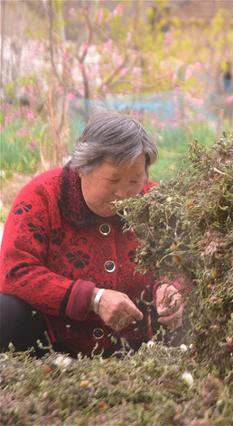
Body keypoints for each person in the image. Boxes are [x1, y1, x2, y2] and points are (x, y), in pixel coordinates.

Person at [0, 110, 186, 357]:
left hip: (138, 343)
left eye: (134, 181)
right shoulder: (42, 197)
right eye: (113, 180)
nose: (124, 193)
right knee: (6, 310)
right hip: (54, 341)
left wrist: (171, 287)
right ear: (81, 169)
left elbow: (183, 256)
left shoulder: (155, 201)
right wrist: (92, 298)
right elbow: (15, 271)